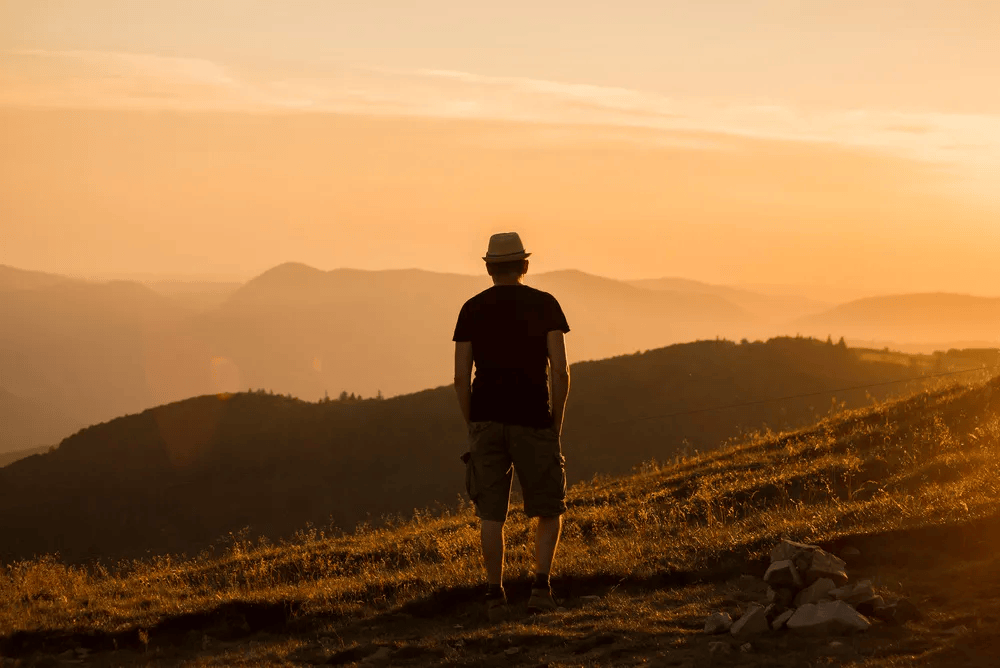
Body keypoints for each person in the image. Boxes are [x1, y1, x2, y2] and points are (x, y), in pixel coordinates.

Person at [453, 232, 571, 621]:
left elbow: (459, 376)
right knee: (548, 506)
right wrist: (555, 425)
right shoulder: (546, 305)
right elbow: (561, 370)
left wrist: (474, 423)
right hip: (533, 417)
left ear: (488, 268)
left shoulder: (471, 309)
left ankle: (493, 594)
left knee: (491, 513)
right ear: (524, 265)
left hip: (486, 419)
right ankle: (540, 587)